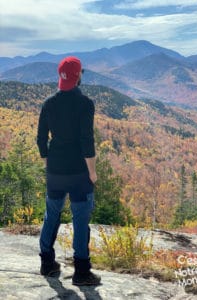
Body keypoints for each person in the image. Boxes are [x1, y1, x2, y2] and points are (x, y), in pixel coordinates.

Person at [37, 56, 101, 286]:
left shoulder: (49, 103)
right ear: (78, 76)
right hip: (79, 173)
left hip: (55, 171)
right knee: (80, 219)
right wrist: (92, 172)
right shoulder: (85, 104)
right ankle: (82, 272)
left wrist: (48, 162)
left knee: (51, 215)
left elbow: (41, 139)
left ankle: (47, 263)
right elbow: (87, 141)